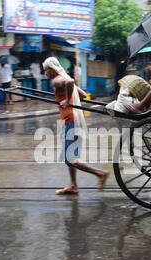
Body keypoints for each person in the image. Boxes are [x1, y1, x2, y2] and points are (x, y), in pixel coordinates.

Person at [43, 57, 109, 195]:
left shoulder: (57, 80)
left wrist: (66, 100)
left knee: (70, 159)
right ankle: (73, 185)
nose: (45, 74)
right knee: (70, 157)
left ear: (50, 69)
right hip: (76, 119)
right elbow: (83, 94)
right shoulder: (64, 76)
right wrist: (68, 96)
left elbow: (70, 82)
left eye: (45, 71)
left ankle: (100, 173)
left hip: (70, 120)